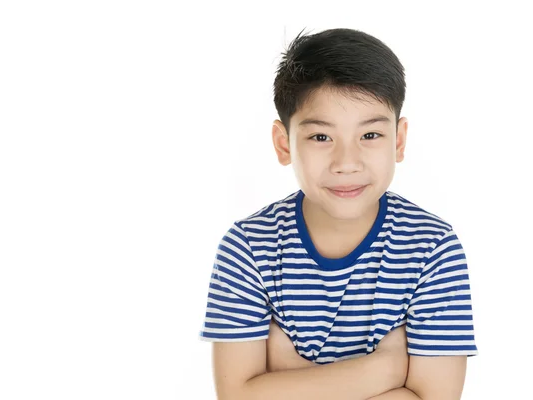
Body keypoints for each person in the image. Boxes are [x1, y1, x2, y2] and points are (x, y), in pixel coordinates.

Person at [199, 27, 478, 400]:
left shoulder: (432, 248)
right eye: (320, 137)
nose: (347, 163)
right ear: (284, 145)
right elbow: (235, 396)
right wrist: (385, 368)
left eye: (370, 136)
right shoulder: (248, 247)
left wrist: (287, 374)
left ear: (398, 140)